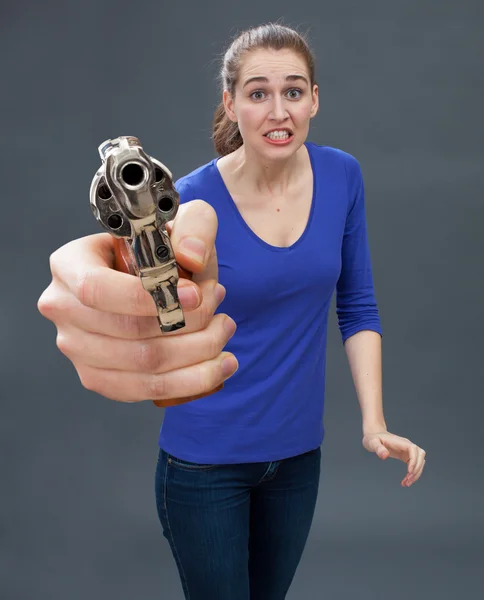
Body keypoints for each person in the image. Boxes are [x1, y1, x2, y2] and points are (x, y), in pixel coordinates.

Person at [38, 22, 426, 600]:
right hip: (204, 466)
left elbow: (358, 304)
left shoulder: (343, 175)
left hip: (297, 461)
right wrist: (110, 289)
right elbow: (149, 311)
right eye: (258, 92)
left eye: (294, 92)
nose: (278, 111)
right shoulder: (186, 203)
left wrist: (375, 424)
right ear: (231, 102)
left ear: (315, 99)